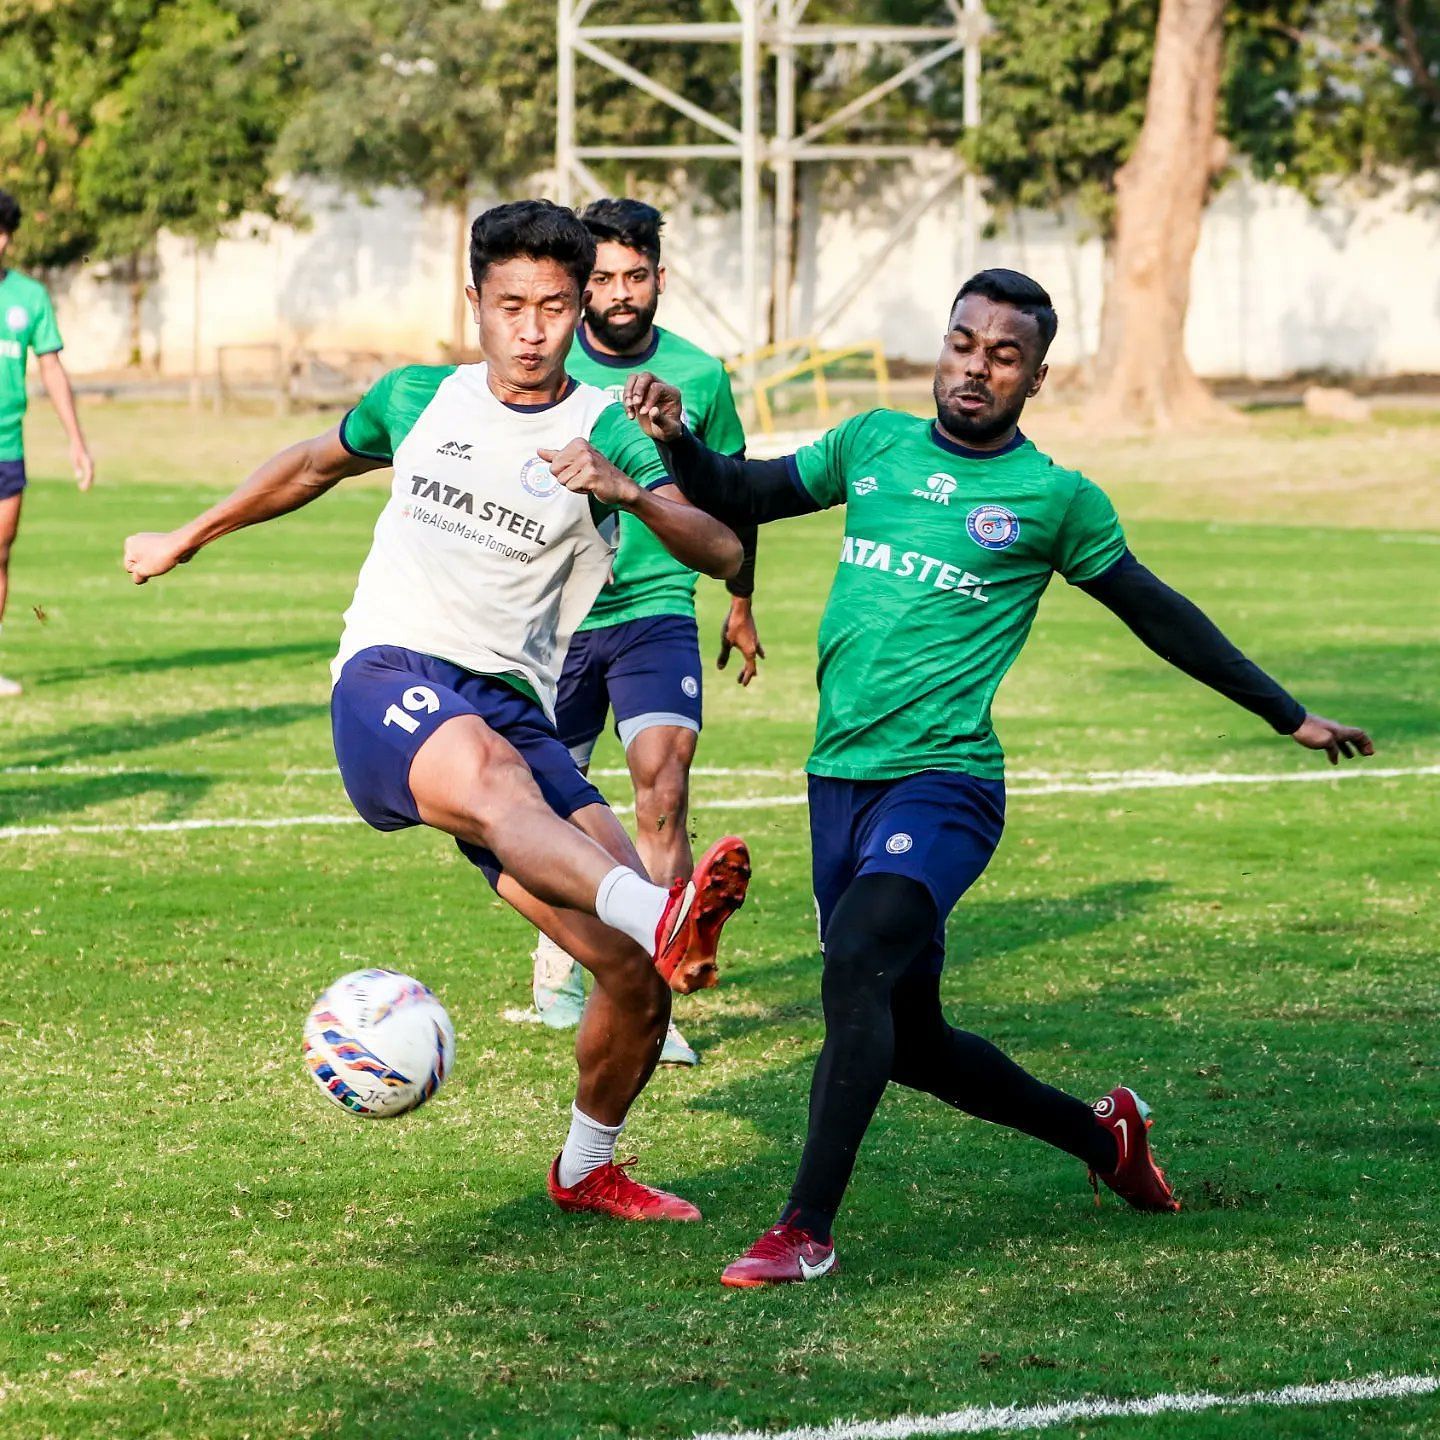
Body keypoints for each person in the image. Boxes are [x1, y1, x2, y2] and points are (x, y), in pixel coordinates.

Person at [624, 268, 1375, 1284]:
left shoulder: (1053, 498)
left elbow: (1158, 612)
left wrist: (1286, 713)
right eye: (965, 344)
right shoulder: (873, 443)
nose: (977, 368)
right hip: (840, 777)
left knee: (855, 959)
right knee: (913, 1039)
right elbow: (744, 491)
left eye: (1004, 355)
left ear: (1037, 376)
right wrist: (677, 445)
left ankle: (804, 1227)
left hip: (948, 784)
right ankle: (1104, 1139)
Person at [122, 200, 753, 1223]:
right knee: (509, 794)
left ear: (582, 302)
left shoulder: (603, 426)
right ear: (477, 304)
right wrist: (188, 535)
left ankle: (588, 1165)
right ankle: (662, 907)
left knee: (637, 980)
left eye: (556, 305)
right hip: (390, 674)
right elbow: (313, 463)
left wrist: (629, 492)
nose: (534, 328)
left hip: (514, 702)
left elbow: (723, 551)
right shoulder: (418, 396)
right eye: (513, 305)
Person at [521, 198, 762, 1068]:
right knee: (553, 795)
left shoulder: (702, 374)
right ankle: (564, 965)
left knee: (662, 787)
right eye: (604, 279)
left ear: (661, 278)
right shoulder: (547, 368)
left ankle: (652, 994)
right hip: (561, 610)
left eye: (635, 277)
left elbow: (733, 496)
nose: (619, 295)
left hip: (659, 605)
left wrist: (740, 598)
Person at [0, 188, 95, 697]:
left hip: (6, 445)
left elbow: (52, 369)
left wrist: (76, 442)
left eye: (2, 232)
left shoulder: (28, 298)